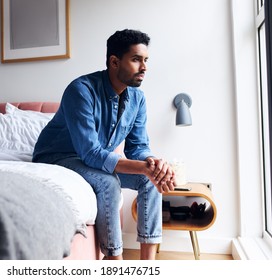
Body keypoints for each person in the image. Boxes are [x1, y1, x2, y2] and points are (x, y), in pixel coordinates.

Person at [33, 29, 176, 260]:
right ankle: (113, 260)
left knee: (150, 180)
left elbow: (138, 146)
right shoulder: (80, 90)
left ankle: (148, 265)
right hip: (58, 157)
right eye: (136, 59)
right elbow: (90, 152)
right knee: (109, 182)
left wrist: (153, 163)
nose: (144, 67)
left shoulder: (138, 99)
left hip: (90, 159)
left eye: (146, 60)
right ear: (114, 61)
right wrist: (143, 167)